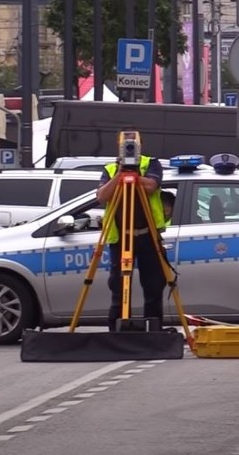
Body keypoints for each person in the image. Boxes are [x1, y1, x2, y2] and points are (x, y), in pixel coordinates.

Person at [96, 131, 167, 331]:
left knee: (153, 286)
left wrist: (134, 174)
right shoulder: (110, 169)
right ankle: (117, 329)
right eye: (126, 145)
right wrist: (121, 173)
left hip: (147, 235)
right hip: (121, 238)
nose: (130, 148)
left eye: (133, 145)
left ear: (140, 145)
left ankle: (153, 331)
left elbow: (151, 186)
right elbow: (102, 196)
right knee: (118, 286)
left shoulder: (151, 164)